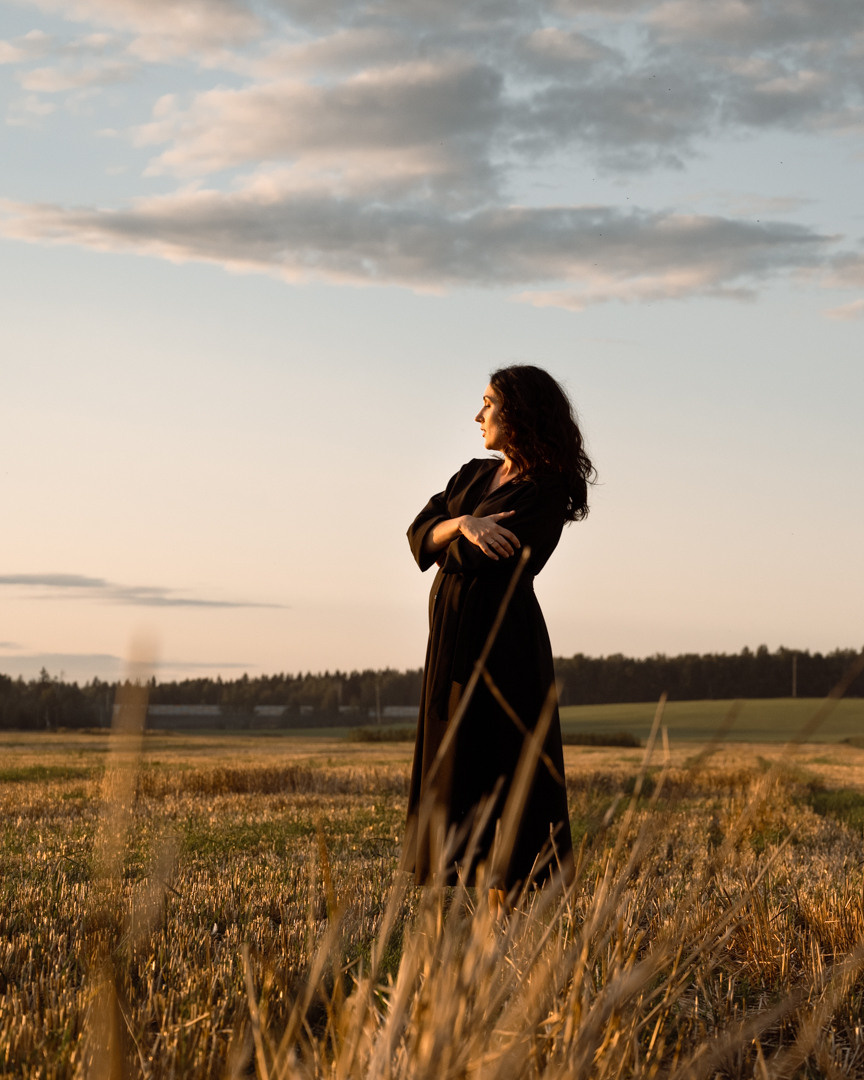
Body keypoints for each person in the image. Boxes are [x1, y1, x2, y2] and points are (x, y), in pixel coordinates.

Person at [401, 365, 594, 906]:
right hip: (450, 648)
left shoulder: (546, 488)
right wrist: (461, 523)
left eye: (488, 403)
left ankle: (506, 932)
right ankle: (457, 934)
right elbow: (419, 535)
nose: (478, 414)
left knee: (502, 775)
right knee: (452, 771)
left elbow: (480, 554)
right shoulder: (472, 475)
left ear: (520, 413)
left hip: (503, 648)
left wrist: (453, 536)